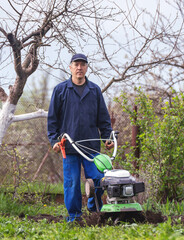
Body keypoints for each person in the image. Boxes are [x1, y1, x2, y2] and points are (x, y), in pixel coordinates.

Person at [47, 53, 114, 222]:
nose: (79, 67)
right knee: (72, 183)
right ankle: (75, 216)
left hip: (91, 146)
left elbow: (103, 119)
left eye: (82, 64)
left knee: (99, 179)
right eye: (76, 64)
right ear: (70, 67)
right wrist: (54, 140)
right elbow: (52, 120)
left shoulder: (95, 90)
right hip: (68, 146)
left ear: (86, 68)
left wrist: (107, 137)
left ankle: (93, 205)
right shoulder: (61, 90)